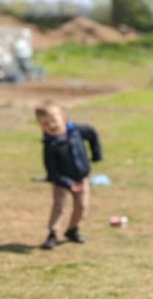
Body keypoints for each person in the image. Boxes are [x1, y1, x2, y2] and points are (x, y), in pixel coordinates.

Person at [35, 101, 102, 250]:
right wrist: (67, 183)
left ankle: (73, 229)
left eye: (53, 120)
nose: (51, 125)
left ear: (63, 119)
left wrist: (96, 154)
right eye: (45, 124)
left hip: (81, 177)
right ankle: (53, 233)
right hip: (62, 181)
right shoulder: (50, 145)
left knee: (82, 206)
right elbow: (52, 172)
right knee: (59, 205)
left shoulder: (76, 130)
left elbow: (92, 133)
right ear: (41, 127)